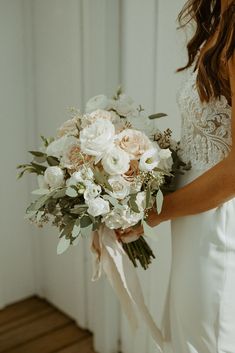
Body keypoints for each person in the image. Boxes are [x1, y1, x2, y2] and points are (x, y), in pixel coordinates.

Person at [116, 0, 235, 352]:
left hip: (219, 224)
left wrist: (153, 211)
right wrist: (134, 184)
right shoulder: (222, 22)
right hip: (196, 221)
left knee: (209, 338)